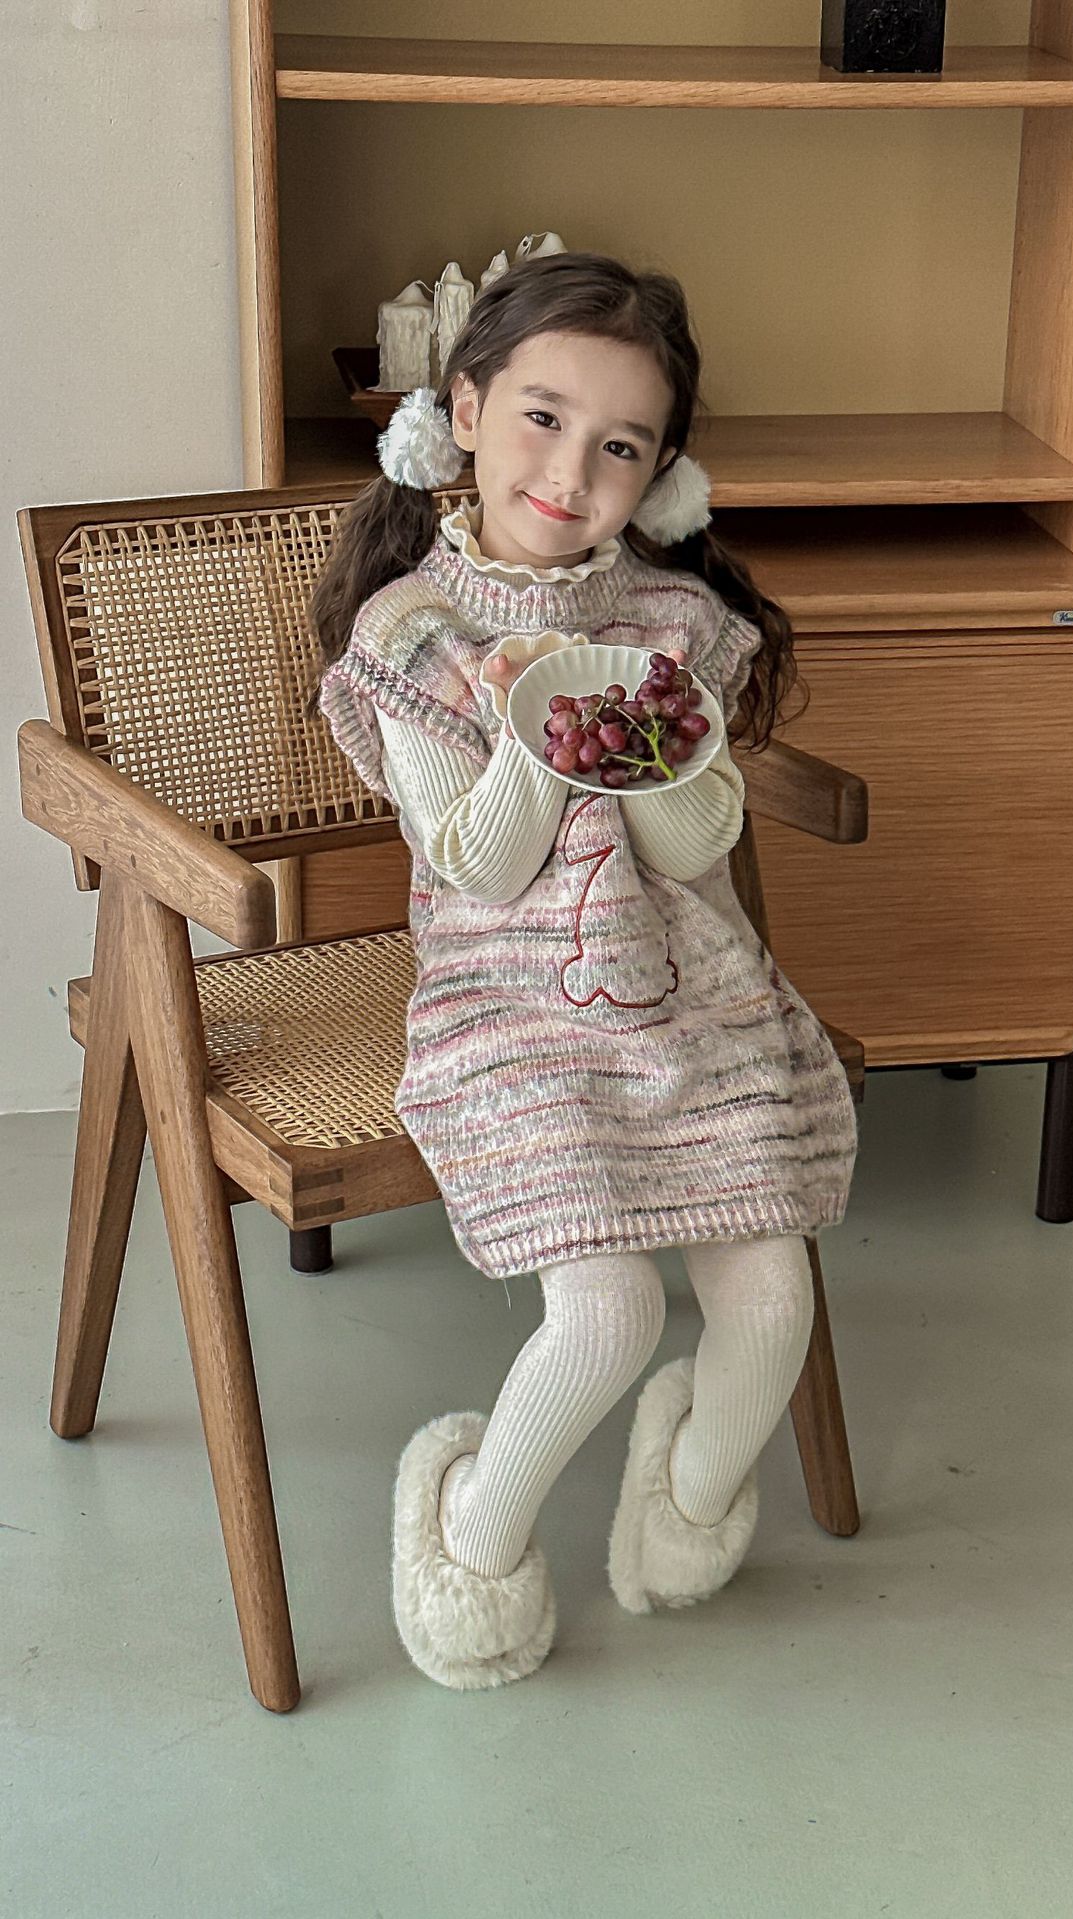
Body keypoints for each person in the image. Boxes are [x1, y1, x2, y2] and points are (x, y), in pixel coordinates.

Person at [311, 249, 858, 1691]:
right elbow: (479, 868)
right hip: (509, 1004)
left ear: (660, 472)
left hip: (692, 993)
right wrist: (532, 734)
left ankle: (688, 1500)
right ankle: (469, 1536)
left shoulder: (672, 624)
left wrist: (660, 745)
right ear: (466, 412)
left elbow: (692, 848)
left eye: (621, 445)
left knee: (771, 1302)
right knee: (608, 1315)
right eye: (541, 418)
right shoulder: (411, 635)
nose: (570, 471)